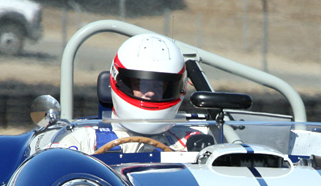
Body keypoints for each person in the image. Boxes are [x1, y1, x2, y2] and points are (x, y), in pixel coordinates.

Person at [58, 34, 214, 154]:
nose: (151, 93)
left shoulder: (194, 140)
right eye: (142, 84)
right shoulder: (84, 140)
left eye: (160, 86)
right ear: (120, 82)